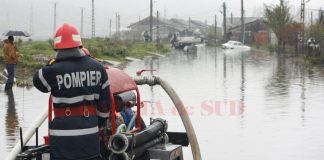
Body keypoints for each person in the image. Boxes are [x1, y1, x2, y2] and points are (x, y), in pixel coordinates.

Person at [33, 23, 111, 160]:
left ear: (57, 47)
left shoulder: (52, 70)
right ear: (79, 44)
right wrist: (95, 123)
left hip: (63, 142)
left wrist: (53, 62)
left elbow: (37, 81)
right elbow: (105, 107)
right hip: (90, 141)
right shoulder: (98, 68)